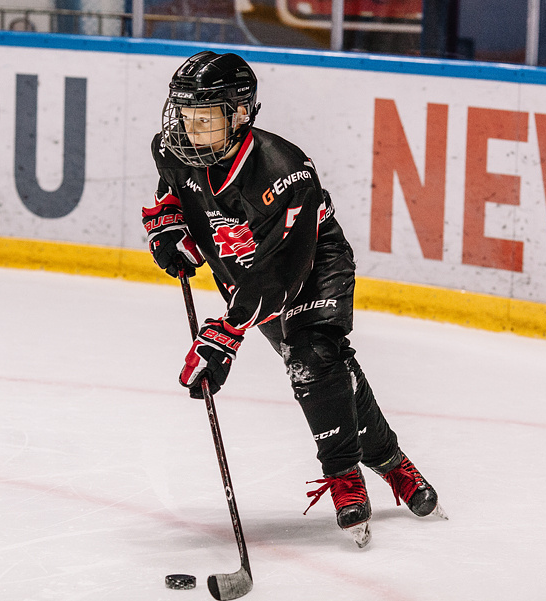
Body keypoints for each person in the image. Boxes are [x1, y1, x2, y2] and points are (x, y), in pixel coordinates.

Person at [142, 50, 445, 548]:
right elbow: (174, 190)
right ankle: (391, 461)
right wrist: (169, 225)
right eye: (185, 114)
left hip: (312, 264)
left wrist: (226, 334)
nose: (188, 129)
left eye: (204, 117)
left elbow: (281, 274)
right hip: (244, 273)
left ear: (240, 114)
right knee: (330, 372)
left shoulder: (285, 171)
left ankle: (344, 475)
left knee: (313, 356)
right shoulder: (174, 148)